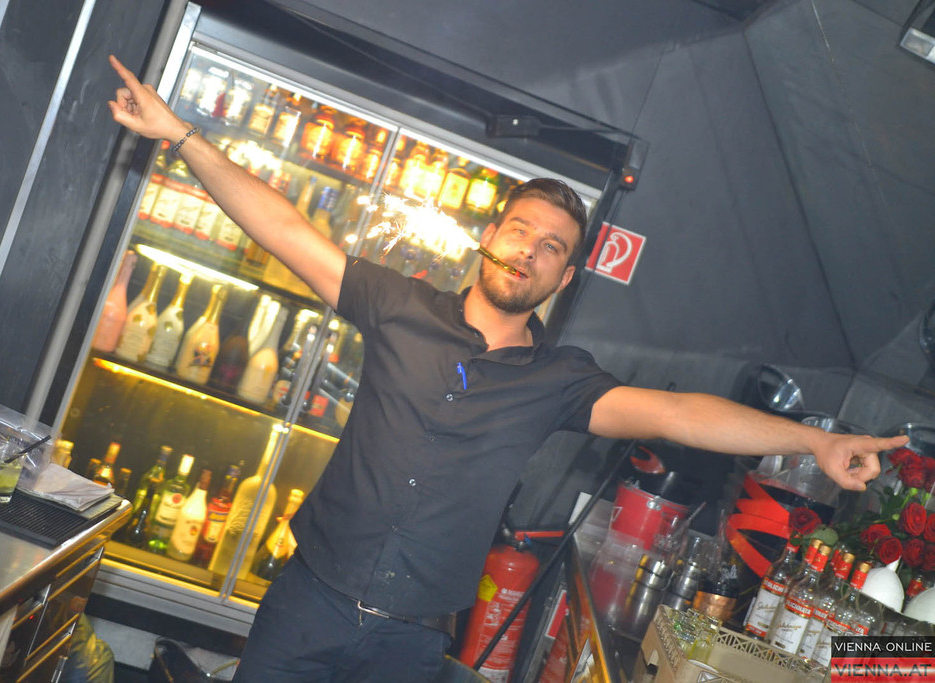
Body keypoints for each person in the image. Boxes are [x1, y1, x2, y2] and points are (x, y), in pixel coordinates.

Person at [107, 55, 908, 682]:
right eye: (521, 230)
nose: (530, 249)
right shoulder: (399, 305)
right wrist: (180, 136)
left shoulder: (559, 380)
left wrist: (814, 440)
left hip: (409, 645)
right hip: (307, 602)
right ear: (490, 237)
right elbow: (284, 228)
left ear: (564, 279)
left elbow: (680, 413)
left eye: (552, 247)